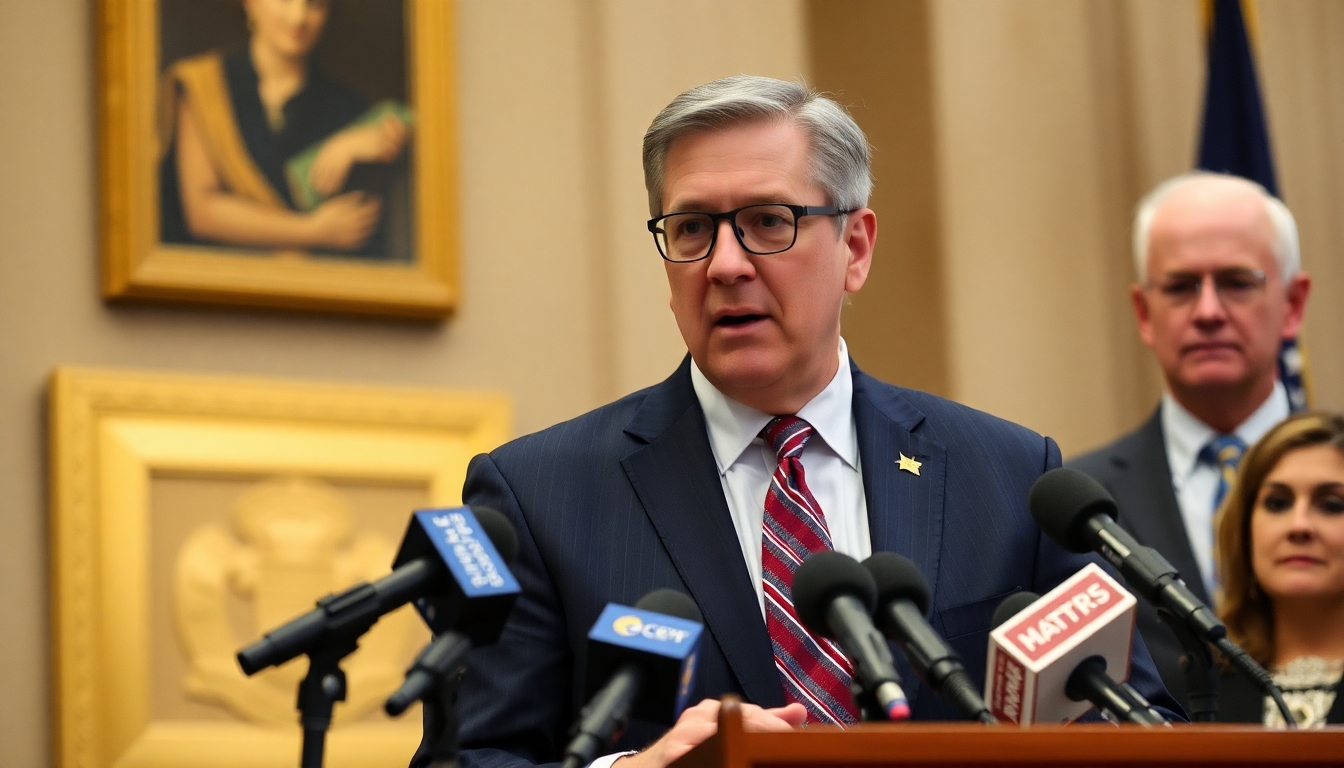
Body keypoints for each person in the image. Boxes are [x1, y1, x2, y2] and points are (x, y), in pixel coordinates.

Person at [457, 76, 1181, 768]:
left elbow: (1137, 725)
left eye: (768, 221)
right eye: (692, 228)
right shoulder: (539, 497)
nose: (725, 264)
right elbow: (466, 757)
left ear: (856, 248)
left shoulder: (1012, 478)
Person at [1067, 172, 1311, 711]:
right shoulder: (1077, 507)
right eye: (1180, 287)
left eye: (1236, 282)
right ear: (1143, 313)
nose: (1207, 312)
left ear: (1293, 304)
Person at [158, 0, 410, 257]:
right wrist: (312, 230)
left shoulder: (350, 109)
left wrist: (371, 143)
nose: (299, 17)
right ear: (250, 4)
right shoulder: (206, 86)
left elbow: (358, 225)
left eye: (315, 4)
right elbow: (203, 213)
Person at [1214, 412, 1344, 727]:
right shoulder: (1195, 689)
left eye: (1331, 505)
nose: (1299, 526)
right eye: (1277, 503)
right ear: (1245, 528)